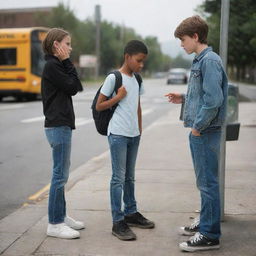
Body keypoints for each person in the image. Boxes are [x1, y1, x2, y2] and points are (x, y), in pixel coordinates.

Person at [165, 16, 228, 252]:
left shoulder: (209, 61)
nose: (181, 44)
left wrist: (197, 127)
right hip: (203, 130)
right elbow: (204, 94)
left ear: (195, 37)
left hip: (205, 131)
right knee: (204, 182)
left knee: (207, 183)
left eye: (183, 40)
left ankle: (210, 234)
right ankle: (206, 221)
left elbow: (213, 100)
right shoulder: (201, 59)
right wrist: (184, 97)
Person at [96, 40, 155, 241]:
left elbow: (137, 106)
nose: (141, 65)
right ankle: (117, 221)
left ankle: (131, 212)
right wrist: (117, 97)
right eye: (138, 60)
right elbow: (99, 106)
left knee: (130, 177)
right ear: (127, 57)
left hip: (133, 134)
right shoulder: (114, 78)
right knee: (118, 178)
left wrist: (139, 129)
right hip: (118, 134)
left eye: (143, 62)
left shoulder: (137, 79)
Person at [41, 28, 84, 239]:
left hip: (61, 125)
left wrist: (66, 62)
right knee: (59, 176)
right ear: (56, 45)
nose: (70, 47)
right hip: (58, 126)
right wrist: (67, 62)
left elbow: (76, 86)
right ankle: (55, 223)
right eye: (67, 43)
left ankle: (61, 215)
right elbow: (74, 87)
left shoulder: (55, 66)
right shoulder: (53, 66)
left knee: (62, 175)